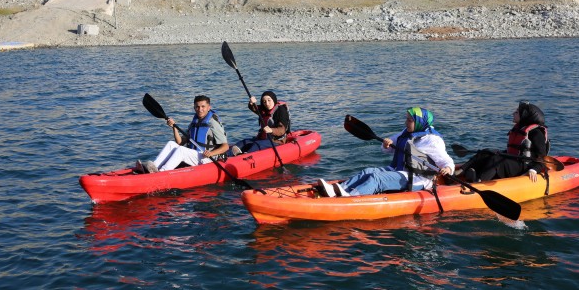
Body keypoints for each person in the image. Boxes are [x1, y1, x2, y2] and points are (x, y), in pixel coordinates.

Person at [318, 107, 455, 197]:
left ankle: (349, 197)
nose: (406, 122)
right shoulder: (406, 132)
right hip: (398, 170)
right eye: (406, 118)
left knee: (377, 179)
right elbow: (387, 149)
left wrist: (448, 169)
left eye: (409, 120)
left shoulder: (433, 140)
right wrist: (387, 143)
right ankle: (339, 189)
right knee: (368, 171)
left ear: (419, 122)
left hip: (417, 178)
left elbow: (446, 161)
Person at [458, 101, 549, 183]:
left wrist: (534, 170)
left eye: (516, 112)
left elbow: (543, 159)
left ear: (524, 115)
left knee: (496, 160)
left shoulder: (536, 133)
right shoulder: (519, 129)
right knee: (486, 152)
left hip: (525, 166)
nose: (513, 113)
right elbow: (514, 151)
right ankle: (458, 173)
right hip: (513, 162)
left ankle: (478, 182)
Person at [138, 95, 229, 173]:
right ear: (194, 107)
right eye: (197, 107)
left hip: (208, 158)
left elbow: (225, 146)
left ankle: (162, 172)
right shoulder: (194, 122)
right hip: (196, 155)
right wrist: (174, 127)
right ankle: (154, 166)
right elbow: (180, 142)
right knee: (171, 144)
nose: (200, 109)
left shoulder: (213, 123)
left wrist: (211, 153)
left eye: (203, 106)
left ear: (209, 107)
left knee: (181, 150)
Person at [231, 90, 290, 155]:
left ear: (273, 100)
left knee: (256, 145)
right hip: (263, 138)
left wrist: (271, 130)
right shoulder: (264, 110)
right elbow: (254, 108)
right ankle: (226, 156)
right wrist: (251, 103)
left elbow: (282, 130)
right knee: (243, 142)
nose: (267, 103)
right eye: (264, 101)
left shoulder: (281, 111)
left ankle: (245, 157)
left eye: (269, 100)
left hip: (276, 141)